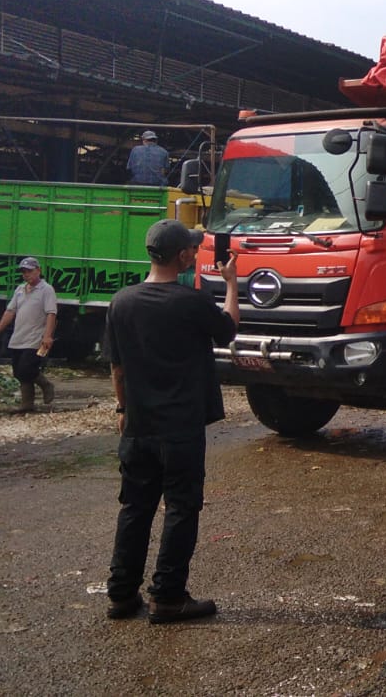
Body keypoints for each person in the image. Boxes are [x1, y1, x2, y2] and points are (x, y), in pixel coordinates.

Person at [103, 219, 238, 624]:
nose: (196, 253)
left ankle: (121, 597)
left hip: (138, 428)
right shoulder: (191, 302)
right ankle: (168, 597)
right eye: (192, 249)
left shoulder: (121, 302)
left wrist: (124, 411)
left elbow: (117, 368)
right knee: (181, 509)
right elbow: (228, 330)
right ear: (182, 256)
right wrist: (231, 284)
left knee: (135, 509)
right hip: (180, 430)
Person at [0, 256, 57, 412]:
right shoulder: (19, 290)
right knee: (18, 371)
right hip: (19, 337)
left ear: (38, 271)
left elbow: (51, 314)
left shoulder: (46, 290)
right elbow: (10, 312)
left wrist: (47, 336)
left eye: (30, 271)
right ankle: (27, 405)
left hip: (36, 339)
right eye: (24, 272)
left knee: (27, 368)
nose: (27, 275)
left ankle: (45, 384)